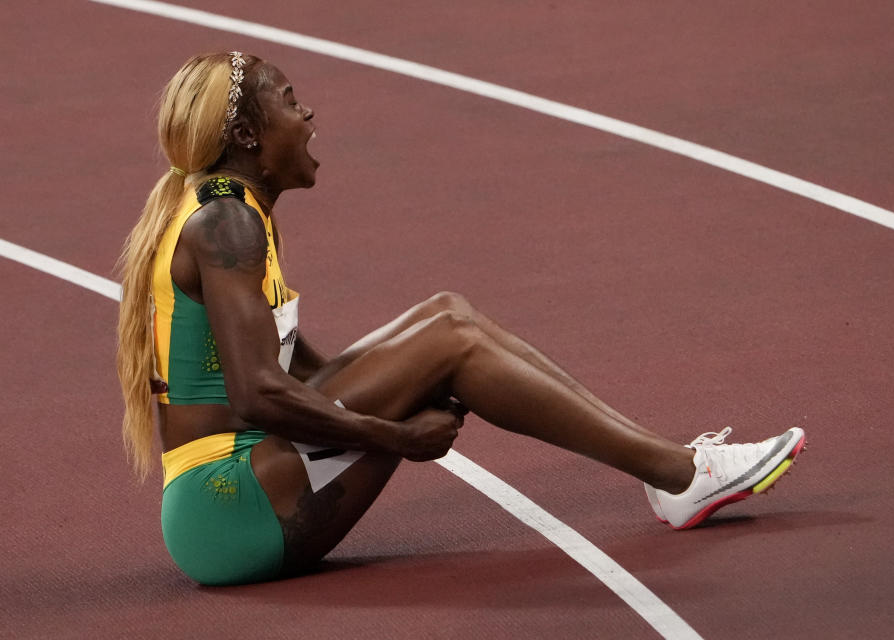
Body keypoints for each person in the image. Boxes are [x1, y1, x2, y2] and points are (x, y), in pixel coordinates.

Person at [116, 52, 806, 587]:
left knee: (446, 317)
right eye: (292, 103)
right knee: (448, 337)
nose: (309, 114)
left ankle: (671, 470)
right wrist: (395, 435)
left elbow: (304, 371)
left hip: (233, 495)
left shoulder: (223, 211)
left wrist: (407, 386)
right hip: (227, 509)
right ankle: (681, 476)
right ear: (245, 134)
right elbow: (258, 393)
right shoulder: (227, 223)